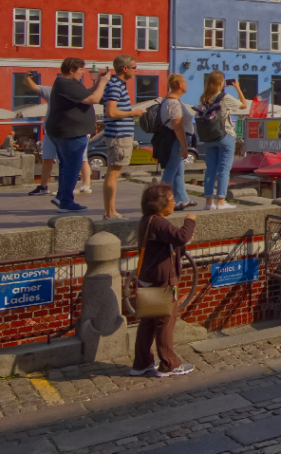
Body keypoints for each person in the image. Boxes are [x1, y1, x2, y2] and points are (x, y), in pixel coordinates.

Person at [130, 183, 196, 377]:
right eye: (171, 199)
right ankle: (169, 363)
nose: (174, 202)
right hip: (163, 279)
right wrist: (190, 221)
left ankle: (141, 363)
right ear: (159, 203)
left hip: (149, 277)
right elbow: (182, 237)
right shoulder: (159, 222)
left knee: (149, 322)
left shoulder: (147, 220)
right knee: (165, 322)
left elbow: (172, 243)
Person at [45, 58, 111, 213]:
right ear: (71, 70)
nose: (83, 72)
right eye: (81, 70)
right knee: (73, 167)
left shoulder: (67, 84)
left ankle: (61, 196)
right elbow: (93, 99)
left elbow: (86, 93)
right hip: (71, 133)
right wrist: (103, 83)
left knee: (65, 166)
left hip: (64, 132)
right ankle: (66, 202)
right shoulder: (66, 84)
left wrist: (98, 82)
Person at [25, 73, 92, 200]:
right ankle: (44, 186)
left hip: (71, 129)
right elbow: (35, 88)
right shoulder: (52, 91)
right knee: (48, 157)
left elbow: (92, 101)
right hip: (53, 129)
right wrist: (27, 77)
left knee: (80, 158)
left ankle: (84, 185)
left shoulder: (79, 91)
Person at [100, 55, 148, 220]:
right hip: (118, 136)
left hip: (119, 135)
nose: (136, 70)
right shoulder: (115, 86)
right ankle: (110, 212)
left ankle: (111, 211)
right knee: (113, 172)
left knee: (114, 172)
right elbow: (111, 112)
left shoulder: (116, 84)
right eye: (134, 67)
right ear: (125, 68)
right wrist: (133, 113)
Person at [195, 71, 247, 211]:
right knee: (224, 170)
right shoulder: (225, 97)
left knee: (210, 170)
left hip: (209, 138)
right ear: (221, 82)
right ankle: (221, 202)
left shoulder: (204, 98)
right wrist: (237, 88)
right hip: (225, 136)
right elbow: (244, 105)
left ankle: (208, 202)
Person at [157, 75, 194, 212]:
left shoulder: (168, 100)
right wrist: (184, 145)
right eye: (185, 82)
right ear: (179, 84)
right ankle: (161, 200)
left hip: (172, 138)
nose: (187, 85)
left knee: (178, 171)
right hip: (176, 139)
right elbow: (177, 125)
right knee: (171, 171)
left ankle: (182, 199)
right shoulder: (173, 103)